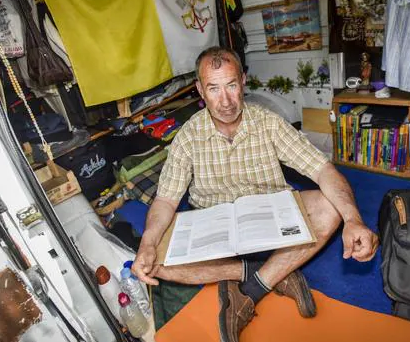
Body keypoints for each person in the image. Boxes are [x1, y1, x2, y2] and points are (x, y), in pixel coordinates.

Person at [132, 47, 378, 342]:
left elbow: (323, 170)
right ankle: (269, 272)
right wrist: (147, 243)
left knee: (331, 207)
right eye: (213, 88)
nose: (225, 101)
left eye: (232, 85)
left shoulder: (268, 122)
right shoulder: (188, 135)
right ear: (200, 90)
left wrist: (353, 219)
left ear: (244, 81)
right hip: (216, 230)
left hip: (273, 223)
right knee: (152, 261)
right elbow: (166, 199)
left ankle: (251, 289)